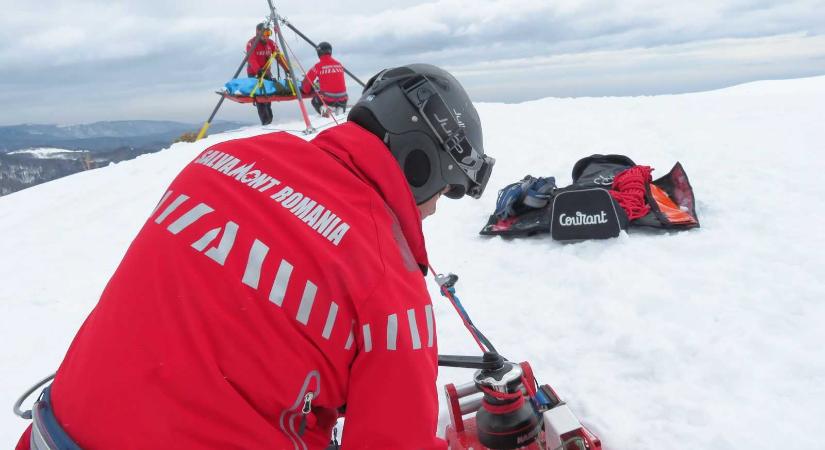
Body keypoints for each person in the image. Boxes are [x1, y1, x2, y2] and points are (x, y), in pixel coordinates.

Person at [16, 64, 494, 450]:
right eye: (444, 192)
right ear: (420, 167)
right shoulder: (391, 292)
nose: (432, 208)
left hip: (50, 431)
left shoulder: (221, 162)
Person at [246, 23, 289, 126]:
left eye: (269, 33)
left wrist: (287, 69)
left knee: (268, 98)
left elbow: (279, 57)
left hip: (267, 73)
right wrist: (258, 71)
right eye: (265, 33)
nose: (267, 36)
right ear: (258, 33)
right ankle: (265, 122)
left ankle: (270, 120)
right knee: (260, 99)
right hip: (255, 75)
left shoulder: (271, 43)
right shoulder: (251, 44)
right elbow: (251, 59)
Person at [301, 42, 348, 117]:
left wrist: (305, 90)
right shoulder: (339, 64)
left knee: (314, 101)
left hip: (328, 100)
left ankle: (323, 109)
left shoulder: (318, 66)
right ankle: (340, 109)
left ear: (319, 52)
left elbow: (305, 86)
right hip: (343, 99)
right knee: (337, 98)